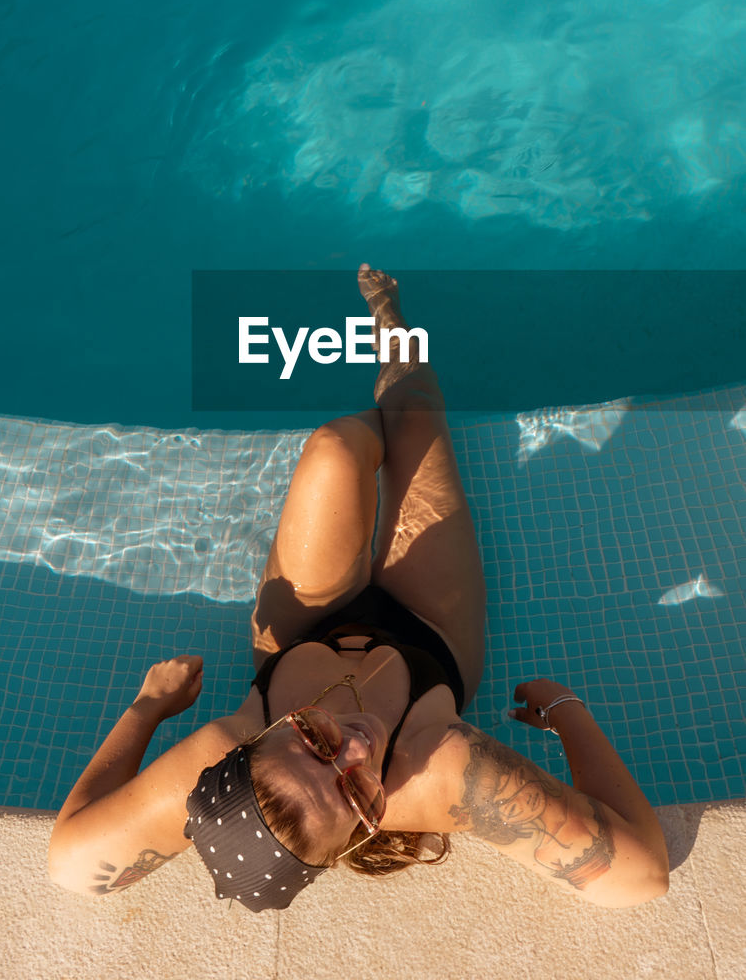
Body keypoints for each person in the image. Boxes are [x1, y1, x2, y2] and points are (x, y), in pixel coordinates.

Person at [48, 266, 669, 910]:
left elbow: (71, 860)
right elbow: (643, 874)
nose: (357, 743)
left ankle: (384, 425)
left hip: (302, 630)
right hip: (430, 634)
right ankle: (392, 339)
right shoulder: (442, 772)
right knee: (420, 416)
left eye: (312, 738)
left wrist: (148, 707)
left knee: (335, 450)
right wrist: (568, 712)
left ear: (260, 738)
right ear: (361, 829)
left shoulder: (221, 755)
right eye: (355, 791)